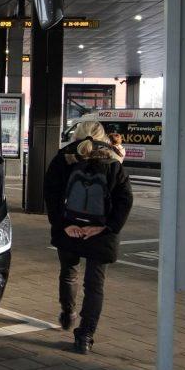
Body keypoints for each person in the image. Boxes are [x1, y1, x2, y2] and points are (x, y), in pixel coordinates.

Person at [43, 120, 133, 354]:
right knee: (94, 285)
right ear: (102, 136)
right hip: (100, 232)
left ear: (77, 135)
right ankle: (85, 336)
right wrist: (107, 227)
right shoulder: (113, 161)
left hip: (70, 228)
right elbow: (125, 199)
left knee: (69, 273)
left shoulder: (64, 158)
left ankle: (68, 312)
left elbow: (50, 192)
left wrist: (64, 225)